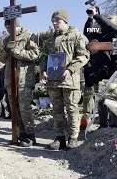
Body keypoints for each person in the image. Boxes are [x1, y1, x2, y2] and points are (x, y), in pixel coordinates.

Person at [40, 9, 90, 150]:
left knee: (72, 109)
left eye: (58, 21)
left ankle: (73, 138)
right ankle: (59, 138)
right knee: (56, 110)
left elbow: (83, 56)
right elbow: (43, 58)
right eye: (53, 21)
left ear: (65, 21)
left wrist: (70, 69)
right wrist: (43, 71)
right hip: (53, 81)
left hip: (70, 81)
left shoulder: (76, 36)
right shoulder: (49, 41)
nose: (55, 24)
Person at [0, 18, 40, 147]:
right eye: (6, 29)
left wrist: (16, 52)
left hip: (24, 78)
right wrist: (6, 49)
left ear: (17, 26)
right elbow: (1, 58)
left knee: (24, 108)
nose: (8, 31)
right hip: (10, 79)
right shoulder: (6, 39)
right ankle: (19, 134)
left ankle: (30, 135)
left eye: (10, 28)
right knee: (14, 108)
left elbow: (35, 54)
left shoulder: (28, 35)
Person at [82, 7, 117, 128]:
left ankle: (115, 125)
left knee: (114, 99)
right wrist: (90, 18)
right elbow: (87, 33)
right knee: (101, 100)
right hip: (99, 72)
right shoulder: (98, 35)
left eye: (109, 20)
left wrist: (98, 16)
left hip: (113, 71)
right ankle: (103, 124)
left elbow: (112, 28)